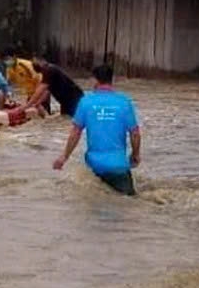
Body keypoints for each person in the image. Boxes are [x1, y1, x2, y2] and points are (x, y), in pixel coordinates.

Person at [53, 64, 141, 196]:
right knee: (129, 204)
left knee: (95, 207)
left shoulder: (85, 102)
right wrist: (135, 155)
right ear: (112, 80)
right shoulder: (124, 102)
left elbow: (75, 133)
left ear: (95, 80)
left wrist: (64, 157)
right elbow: (135, 133)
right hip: (119, 167)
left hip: (95, 166)